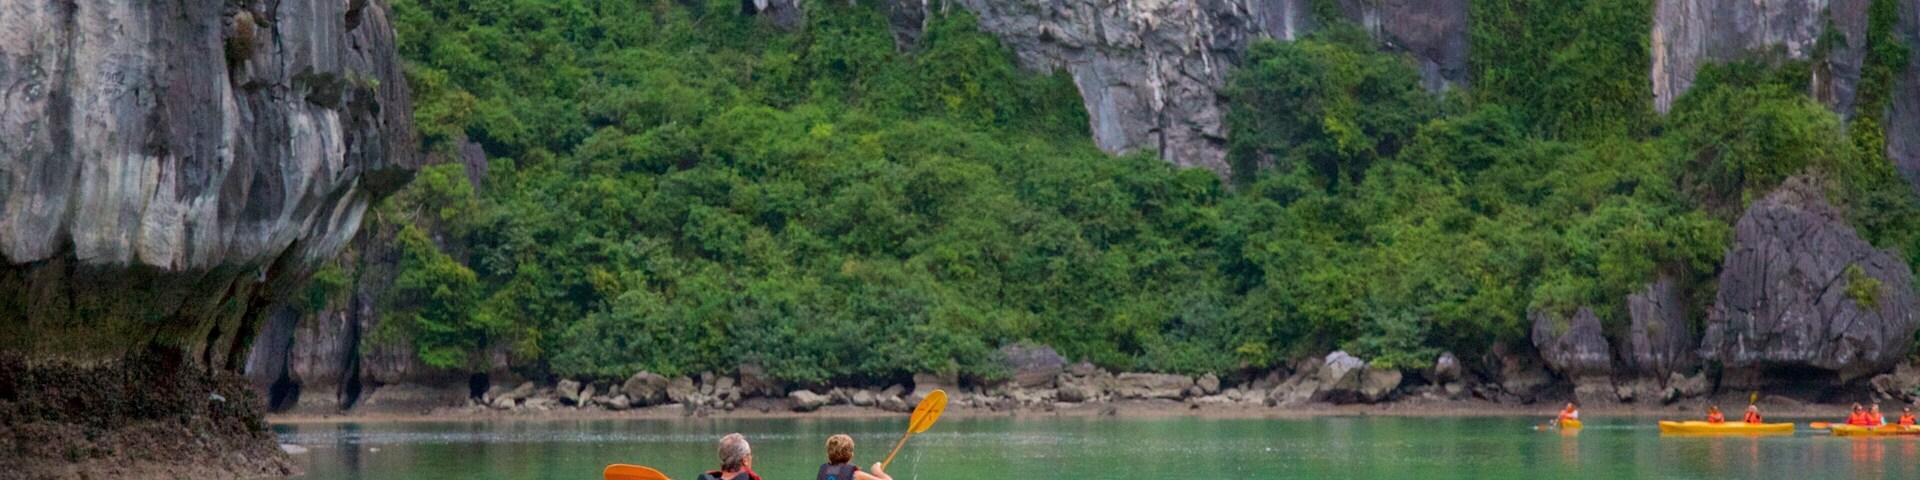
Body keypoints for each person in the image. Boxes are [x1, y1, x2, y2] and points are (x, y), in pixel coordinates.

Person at [817, 434, 893, 480]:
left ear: (828, 454)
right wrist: (878, 472)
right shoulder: (856, 475)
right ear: (851, 455)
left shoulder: (823, 472)